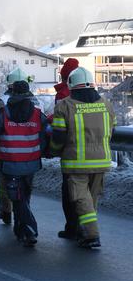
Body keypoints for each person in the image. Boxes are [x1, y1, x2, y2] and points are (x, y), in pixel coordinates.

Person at [51, 67, 116, 249]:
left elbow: (58, 137)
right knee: (91, 200)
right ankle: (84, 230)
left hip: (76, 163)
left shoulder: (64, 106)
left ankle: (91, 235)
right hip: (102, 161)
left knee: (81, 199)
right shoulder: (106, 104)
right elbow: (113, 130)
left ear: (71, 84)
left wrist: (54, 151)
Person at [0, 80, 49, 247]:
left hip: (10, 164)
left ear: (12, 94)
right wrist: (37, 152)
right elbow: (45, 137)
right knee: (24, 196)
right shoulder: (37, 114)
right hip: (31, 164)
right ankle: (21, 230)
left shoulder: (3, 114)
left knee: (17, 198)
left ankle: (29, 230)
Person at [0, 67, 41, 225]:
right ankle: (22, 215)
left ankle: (6, 209)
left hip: (8, 153)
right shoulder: (35, 102)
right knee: (26, 188)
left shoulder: (2, 101)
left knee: (5, 184)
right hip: (30, 154)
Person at [53, 57, 80, 239]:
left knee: (69, 191)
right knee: (83, 194)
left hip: (70, 150)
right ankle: (82, 228)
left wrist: (54, 148)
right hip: (88, 148)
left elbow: (59, 124)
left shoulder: (62, 95)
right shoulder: (86, 93)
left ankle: (73, 227)